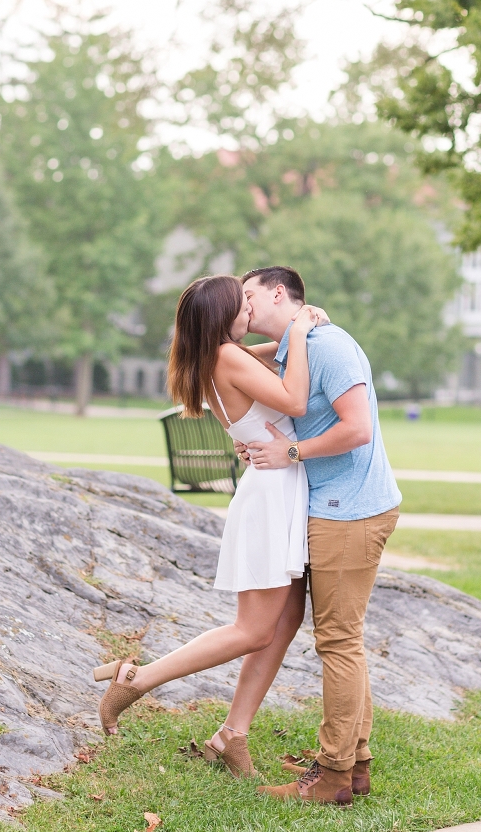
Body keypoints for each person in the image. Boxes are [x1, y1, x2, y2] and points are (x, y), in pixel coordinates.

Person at [92, 273, 325, 780]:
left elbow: (258, 362)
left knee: (283, 624)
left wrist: (286, 340)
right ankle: (136, 679)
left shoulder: (216, 358)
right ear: (224, 318)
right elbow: (296, 401)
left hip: (275, 489)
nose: (249, 308)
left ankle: (231, 736)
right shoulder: (227, 358)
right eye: (241, 303)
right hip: (271, 496)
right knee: (255, 629)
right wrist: (302, 336)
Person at [234, 266, 402, 807]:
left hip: (350, 511)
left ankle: (332, 775)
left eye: (249, 296)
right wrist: (295, 333)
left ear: (278, 293)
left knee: (338, 641)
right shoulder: (296, 345)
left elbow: (357, 429)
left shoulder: (328, 347)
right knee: (342, 638)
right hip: (331, 507)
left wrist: (291, 452)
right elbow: (238, 360)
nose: (243, 306)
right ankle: (356, 766)